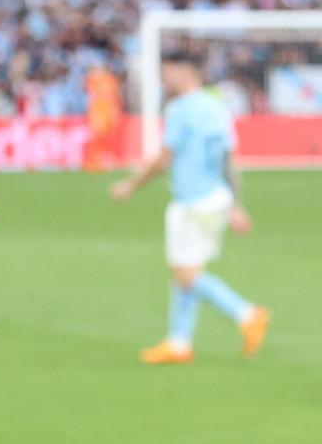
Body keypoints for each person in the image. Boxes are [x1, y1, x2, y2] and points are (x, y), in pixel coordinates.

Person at [110, 57, 270, 363]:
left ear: (185, 73)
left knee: (186, 274)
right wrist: (236, 203)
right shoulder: (217, 107)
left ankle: (247, 313)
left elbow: (163, 159)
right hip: (217, 198)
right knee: (188, 269)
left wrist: (130, 185)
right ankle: (179, 342)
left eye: (168, 74)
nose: (165, 81)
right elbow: (228, 159)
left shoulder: (180, 109)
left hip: (193, 200)